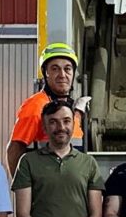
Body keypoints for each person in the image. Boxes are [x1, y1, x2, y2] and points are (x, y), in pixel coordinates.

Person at [7, 43, 84, 173]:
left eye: (67, 69)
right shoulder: (36, 105)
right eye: (55, 69)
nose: (62, 75)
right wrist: (20, 187)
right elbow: (15, 148)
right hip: (44, 185)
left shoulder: (69, 107)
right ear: (45, 73)